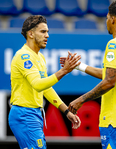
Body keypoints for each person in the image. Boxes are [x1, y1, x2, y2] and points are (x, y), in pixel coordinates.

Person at [60, 0, 116, 149]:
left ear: (113, 19)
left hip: (114, 116)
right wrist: (79, 66)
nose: (106, 21)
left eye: (107, 17)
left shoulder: (114, 44)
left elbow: (109, 81)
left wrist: (81, 99)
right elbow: (110, 74)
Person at [8, 15, 81, 149]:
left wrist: (66, 112)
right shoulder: (23, 56)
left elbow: (46, 88)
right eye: (43, 32)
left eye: (47, 32)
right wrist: (63, 71)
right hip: (24, 115)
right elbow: (38, 84)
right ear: (30, 34)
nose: (47, 35)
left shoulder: (40, 57)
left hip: (33, 114)